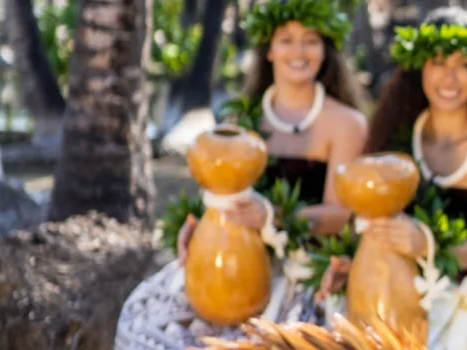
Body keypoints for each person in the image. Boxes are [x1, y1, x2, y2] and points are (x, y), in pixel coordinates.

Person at [115, 1, 368, 348]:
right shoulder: (241, 121)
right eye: (286, 40)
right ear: (269, 50)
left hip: (304, 272)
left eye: (310, 40)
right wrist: (199, 225)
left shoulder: (347, 124)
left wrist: (272, 217)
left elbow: (341, 214)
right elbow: (222, 196)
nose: (298, 51)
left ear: (326, 50)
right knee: (145, 323)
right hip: (231, 265)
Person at [314, 6, 467, 349]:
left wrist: (428, 246)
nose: (450, 78)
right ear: (418, 67)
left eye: (464, 65)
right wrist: (355, 264)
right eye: (438, 62)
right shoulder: (396, 139)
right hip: (395, 295)